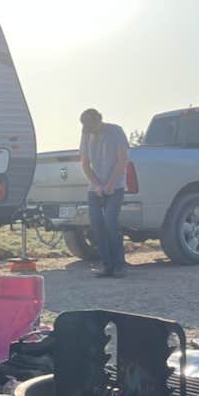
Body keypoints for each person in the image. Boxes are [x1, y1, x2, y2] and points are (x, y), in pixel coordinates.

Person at [79, 107, 130, 277]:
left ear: (99, 119)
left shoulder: (115, 131)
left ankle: (120, 265)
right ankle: (106, 265)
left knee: (110, 223)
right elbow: (85, 164)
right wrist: (97, 185)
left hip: (115, 186)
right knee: (97, 225)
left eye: (91, 127)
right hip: (95, 188)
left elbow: (122, 160)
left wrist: (110, 185)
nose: (90, 131)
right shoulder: (86, 134)